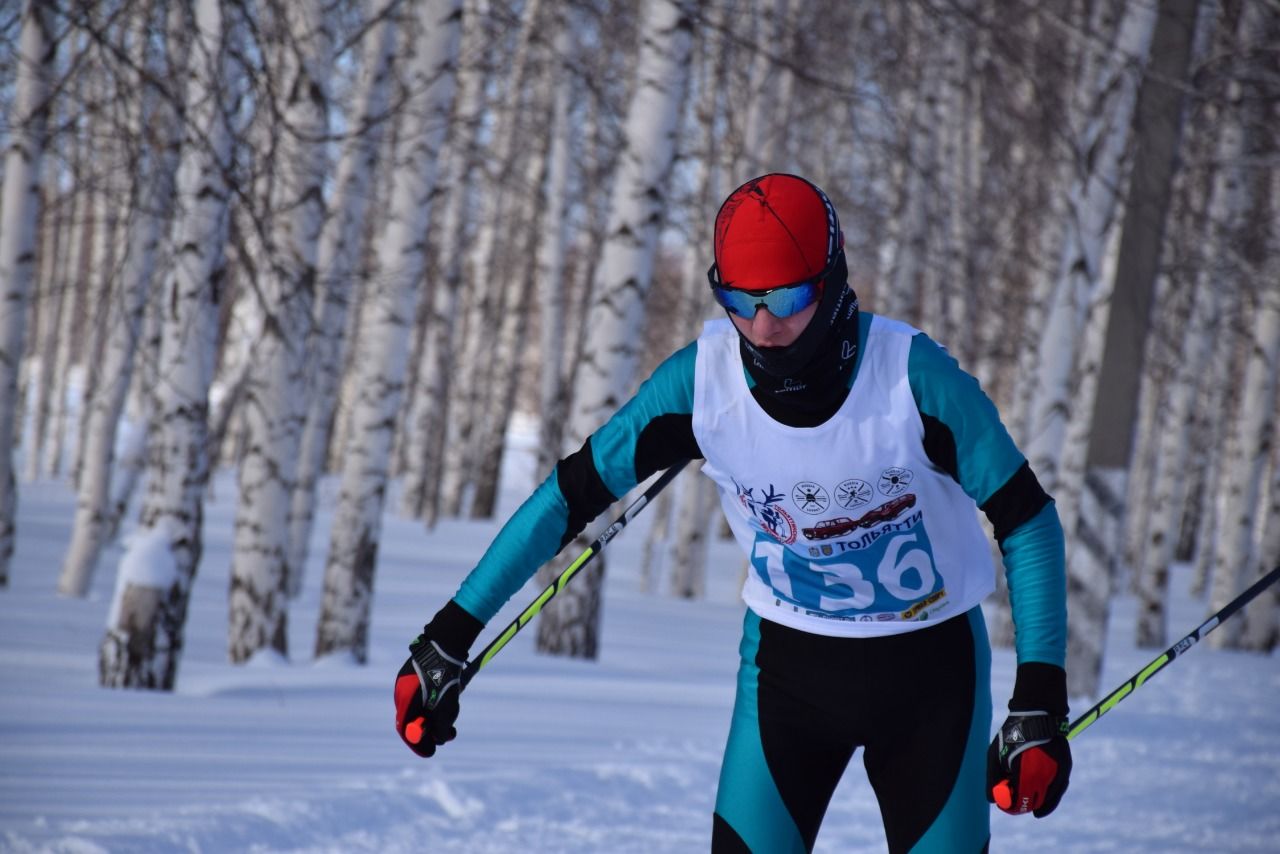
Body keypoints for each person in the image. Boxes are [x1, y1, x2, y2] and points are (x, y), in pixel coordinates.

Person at [394, 173, 1071, 852]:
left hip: (930, 682)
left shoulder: (913, 379)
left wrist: (1039, 699)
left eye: (787, 298)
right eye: (740, 302)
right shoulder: (700, 385)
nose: (763, 327)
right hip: (787, 680)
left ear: (832, 282)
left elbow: (1028, 522)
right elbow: (566, 498)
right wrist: (448, 637)